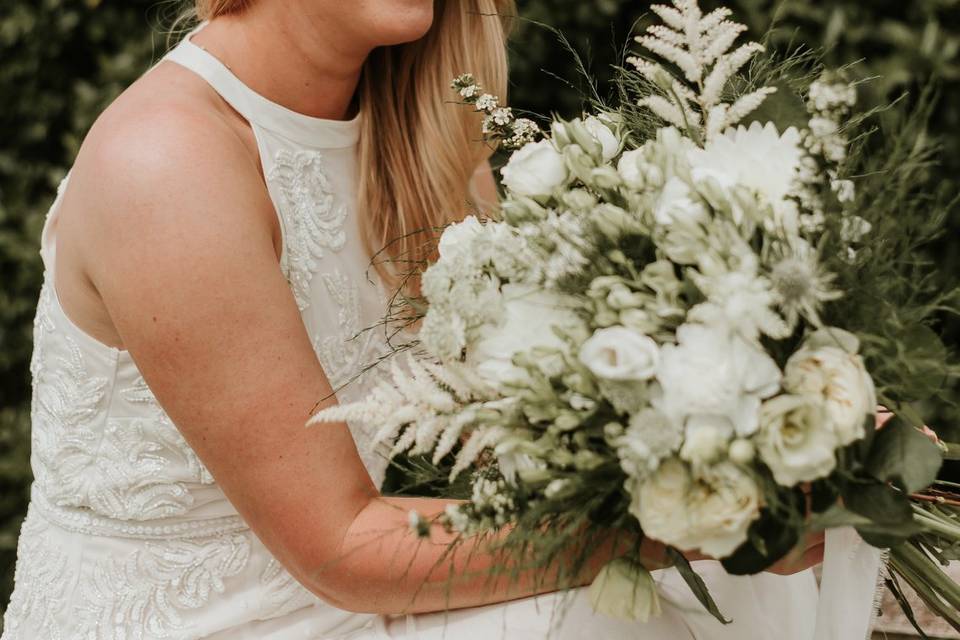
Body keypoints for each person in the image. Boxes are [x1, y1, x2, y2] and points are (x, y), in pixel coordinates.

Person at [0, 1, 821, 638]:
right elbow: (340, 542)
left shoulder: (428, 138)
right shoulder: (168, 161)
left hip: (350, 605)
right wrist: (680, 527)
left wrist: (782, 430)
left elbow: (539, 425)